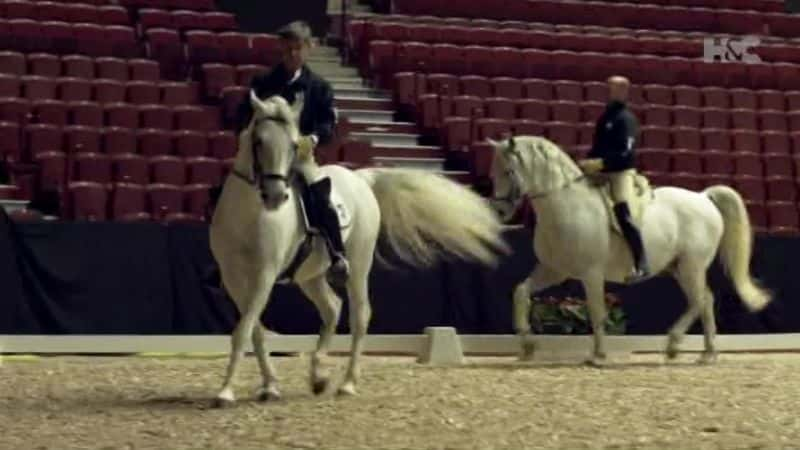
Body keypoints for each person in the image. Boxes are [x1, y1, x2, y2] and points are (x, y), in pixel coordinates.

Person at [236, 20, 349, 284]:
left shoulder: (320, 88)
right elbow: (243, 114)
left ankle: (337, 255)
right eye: (287, 49)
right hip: (266, 158)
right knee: (230, 189)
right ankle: (222, 259)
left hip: (300, 157)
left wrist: (313, 138)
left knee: (320, 195)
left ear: (309, 48)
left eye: (297, 49)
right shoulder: (263, 82)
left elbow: (328, 123)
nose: (291, 55)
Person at [578, 75, 649, 282]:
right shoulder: (605, 117)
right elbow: (596, 147)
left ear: (623, 92)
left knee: (622, 207)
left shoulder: (626, 119)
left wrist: (602, 163)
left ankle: (641, 263)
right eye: (607, 87)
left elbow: (626, 153)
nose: (608, 92)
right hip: (600, 171)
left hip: (621, 172)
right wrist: (587, 163)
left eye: (613, 89)